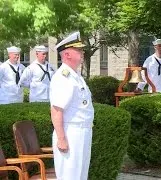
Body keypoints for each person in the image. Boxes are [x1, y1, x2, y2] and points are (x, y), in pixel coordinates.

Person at [50, 31, 94, 180]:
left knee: (80, 176)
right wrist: (61, 138)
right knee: (70, 176)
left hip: (82, 132)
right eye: (78, 50)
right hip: (71, 132)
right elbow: (56, 110)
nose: (82, 52)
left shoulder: (75, 76)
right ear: (67, 54)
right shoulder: (63, 77)